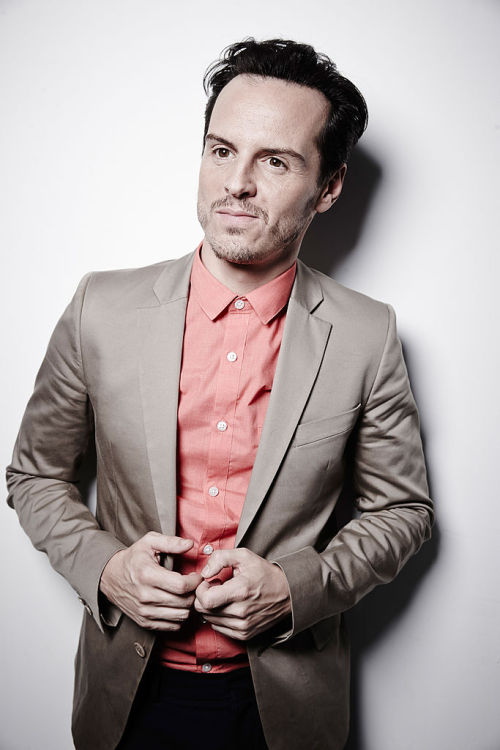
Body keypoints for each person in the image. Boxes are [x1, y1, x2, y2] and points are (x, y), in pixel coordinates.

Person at [6, 38, 433, 750]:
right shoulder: (99, 308)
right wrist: (106, 569)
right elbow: (34, 475)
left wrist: (302, 586)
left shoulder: (368, 335)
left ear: (328, 188)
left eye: (275, 161)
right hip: (127, 695)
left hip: (282, 708)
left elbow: (404, 511)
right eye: (220, 150)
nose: (236, 182)